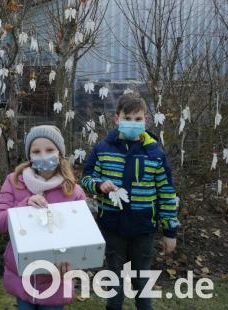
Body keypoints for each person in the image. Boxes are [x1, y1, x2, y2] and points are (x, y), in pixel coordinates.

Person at [81, 93, 179, 310]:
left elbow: (166, 192)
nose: (133, 123)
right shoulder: (102, 149)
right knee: (114, 279)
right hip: (112, 226)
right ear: (117, 119)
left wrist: (169, 231)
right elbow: (86, 179)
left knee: (141, 280)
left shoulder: (155, 154)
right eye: (128, 118)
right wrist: (99, 185)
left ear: (146, 120)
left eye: (138, 119)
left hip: (143, 229)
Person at [0, 125, 86, 310]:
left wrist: (72, 262)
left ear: (59, 153)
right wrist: (24, 206)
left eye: (50, 150)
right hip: (22, 275)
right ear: (29, 156)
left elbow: (82, 237)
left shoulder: (73, 192)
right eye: (36, 151)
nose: (43, 155)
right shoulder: (14, 182)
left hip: (56, 279)